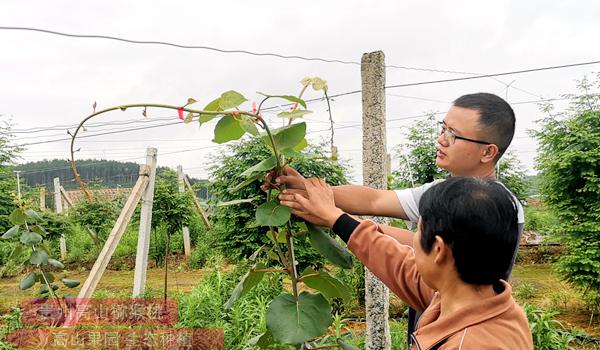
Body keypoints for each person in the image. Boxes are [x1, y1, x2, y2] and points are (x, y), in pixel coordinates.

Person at [271, 92, 525, 344]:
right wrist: (310, 191)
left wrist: (335, 217)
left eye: (453, 135)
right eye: (443, 129)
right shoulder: (443, 194)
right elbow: (374, 200)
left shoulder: (494, 208)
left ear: (488, 152)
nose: (441, 140)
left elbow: (408, 249)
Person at [280, 176, 533, 349]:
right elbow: (394, 260)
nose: (411, 242)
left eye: (417, 232)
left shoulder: (472, 343)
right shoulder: (464, 296)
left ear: (438, 250)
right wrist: (334, 217)